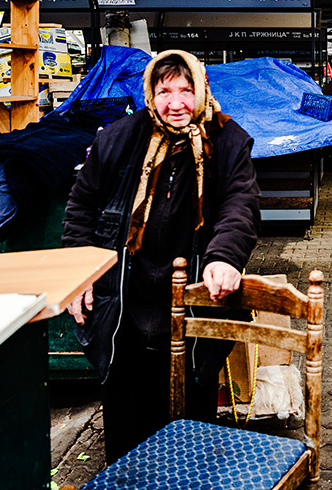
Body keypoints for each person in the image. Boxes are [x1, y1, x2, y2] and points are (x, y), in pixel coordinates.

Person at [62, 49, 261, 463]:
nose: (175, 103)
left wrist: (224, 257)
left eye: (186, 91)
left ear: (202, 90)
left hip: (193, 309)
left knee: (191, 428)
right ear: (150, 94)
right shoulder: (119, 138)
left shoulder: (227, 140)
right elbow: (81, 207)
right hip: (125, 307)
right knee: (126, 432)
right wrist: (79, 270)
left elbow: (240, 205)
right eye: (164, 91)